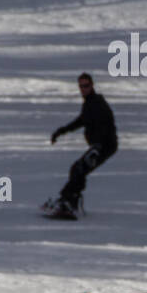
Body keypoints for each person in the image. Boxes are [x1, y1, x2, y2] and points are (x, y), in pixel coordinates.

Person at [47, 72, 119, 216]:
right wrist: (61, 131)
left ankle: (69, 201)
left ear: (92, 85)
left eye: (86, 86)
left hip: (105, 145)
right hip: (101, 145)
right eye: (81, 86)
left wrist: (97, 147)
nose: (83, 89)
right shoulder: (89, 103)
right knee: (78, 169)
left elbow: (107, 124)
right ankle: (70, 200)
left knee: (79, 169)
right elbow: (81, 121)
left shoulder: (97, 103)